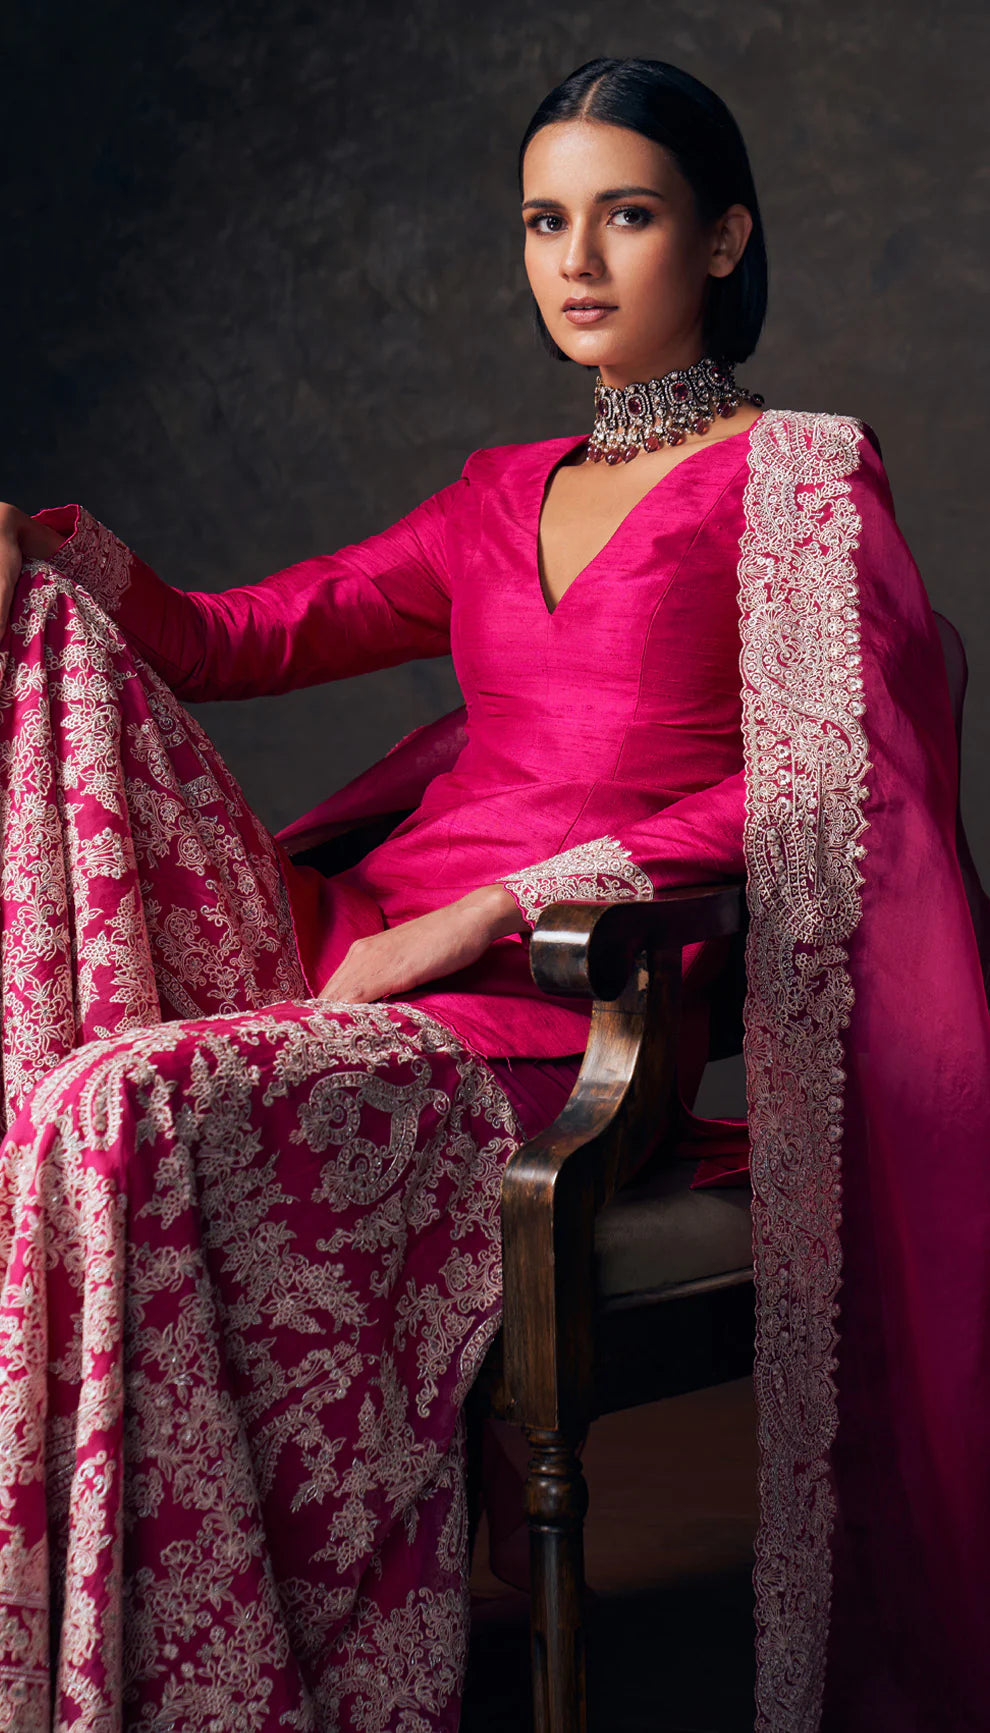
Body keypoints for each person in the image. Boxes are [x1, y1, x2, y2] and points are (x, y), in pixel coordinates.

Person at [0, 51, 987, 1733]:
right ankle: (121, 1660)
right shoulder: (488, 494)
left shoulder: (798, 479)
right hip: (381, 979)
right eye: (546, 219)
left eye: (628, 214)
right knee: (61, 1057)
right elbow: (230, 638)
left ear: (726, 238)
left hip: (569, 1004)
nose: (577, 260)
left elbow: (826, 775)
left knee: (108, 1107)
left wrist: (497, 907)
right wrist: (39, 553)